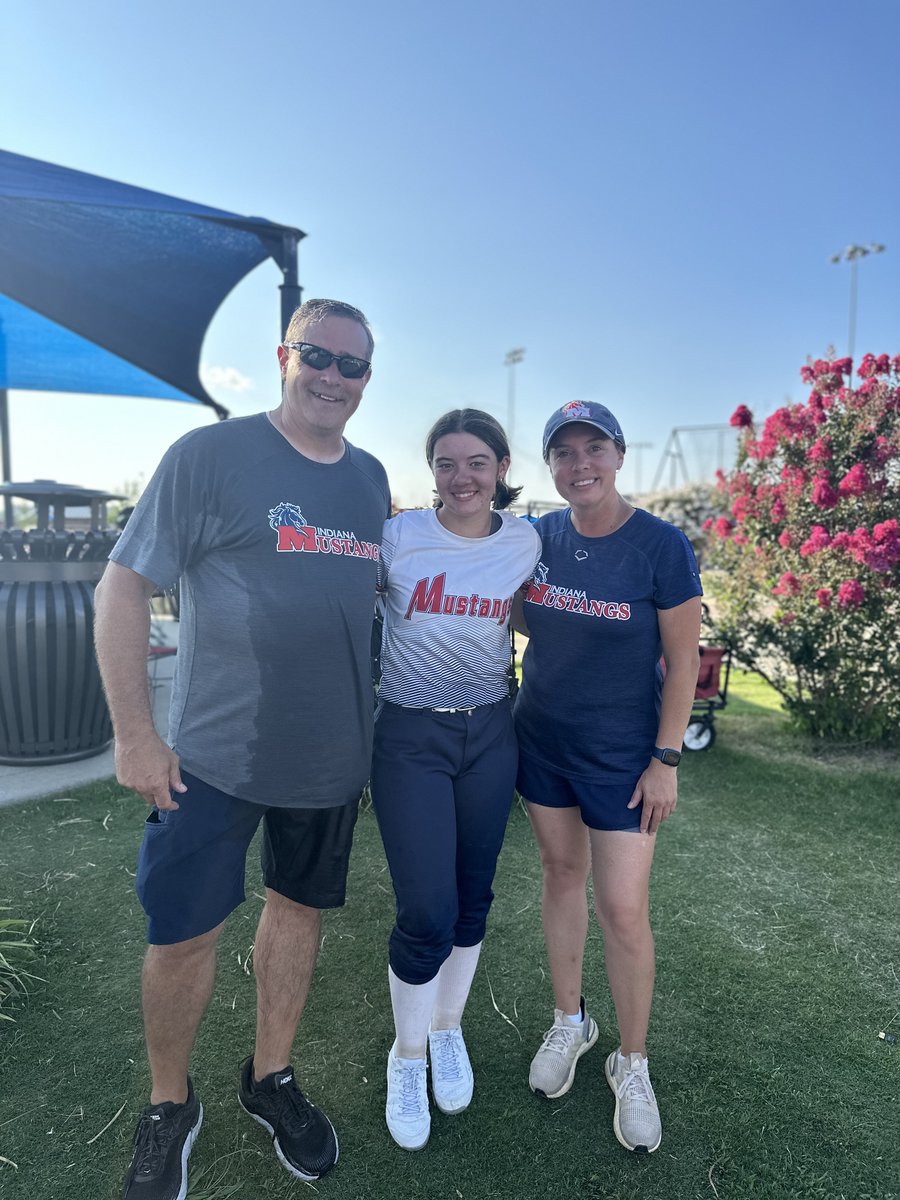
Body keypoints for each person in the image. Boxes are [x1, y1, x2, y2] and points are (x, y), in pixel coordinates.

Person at [93, 299, 390, 1198]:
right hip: (211, 759)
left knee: (296, 914)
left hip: (329, 760)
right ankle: (168, 1105)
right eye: (317, 356)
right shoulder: (209, 455)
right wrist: (136, 734)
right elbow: (121, 588)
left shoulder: (371, 479)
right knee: (184, 935)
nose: (333, 376)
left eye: (352, 365)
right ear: (283, 357)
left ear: (367, 379)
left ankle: (270, 1077)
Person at [513, 400, 701, 1154]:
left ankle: (632, 1060)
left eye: (594, 447)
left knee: (623, 910)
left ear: (619, 455)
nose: (579, 464)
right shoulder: (538, 537)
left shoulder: (660, 544)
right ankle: (571, 1022)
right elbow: (523, 617)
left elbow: (684, 661)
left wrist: (665, 760)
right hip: (542, 742)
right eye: (564, 452)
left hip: (624, 758)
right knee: (562, 876)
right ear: (551, 466)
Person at [370, 409, 541, 1150]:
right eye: (446, 463)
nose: (461, 477)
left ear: (501, 468)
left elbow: (548, 614)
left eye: (477, 462)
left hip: (491, 732)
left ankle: (446, 1029)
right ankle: (406, 1056)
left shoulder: (525, 540)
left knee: (474, 895)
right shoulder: (399, 536)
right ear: (432, 470)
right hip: (411, 735)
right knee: (426, 909)